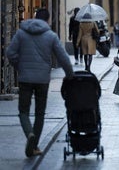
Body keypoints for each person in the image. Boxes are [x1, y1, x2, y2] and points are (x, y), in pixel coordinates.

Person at [6, 8, 74, 157]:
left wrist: (19, 67)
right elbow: (63, 58)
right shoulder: (50, 36)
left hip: (24, 79)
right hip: (42, 80)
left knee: (23, 111)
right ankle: (34, 144)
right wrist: (70, 75)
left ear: (35, 17)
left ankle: (29, 134)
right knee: (40, 113)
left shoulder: (21, 33)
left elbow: (10, 53)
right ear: (48, 20)